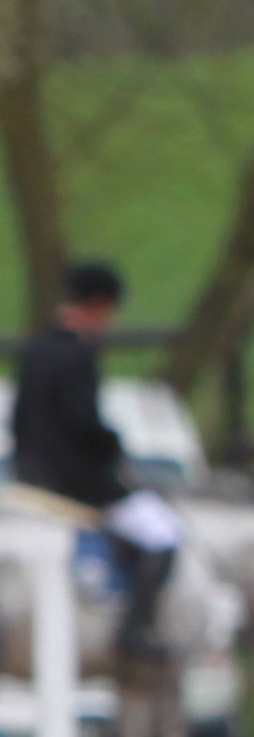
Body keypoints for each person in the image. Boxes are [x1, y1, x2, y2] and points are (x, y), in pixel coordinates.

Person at [10, 260, 182, 662]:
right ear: (99, 304)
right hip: (77, 481)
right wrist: (116, 448)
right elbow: (83, 423)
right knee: (162, 535)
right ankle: (134, 632)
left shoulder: (36, 349)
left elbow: (19, 419)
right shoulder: (77, 354)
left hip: (31, 478)